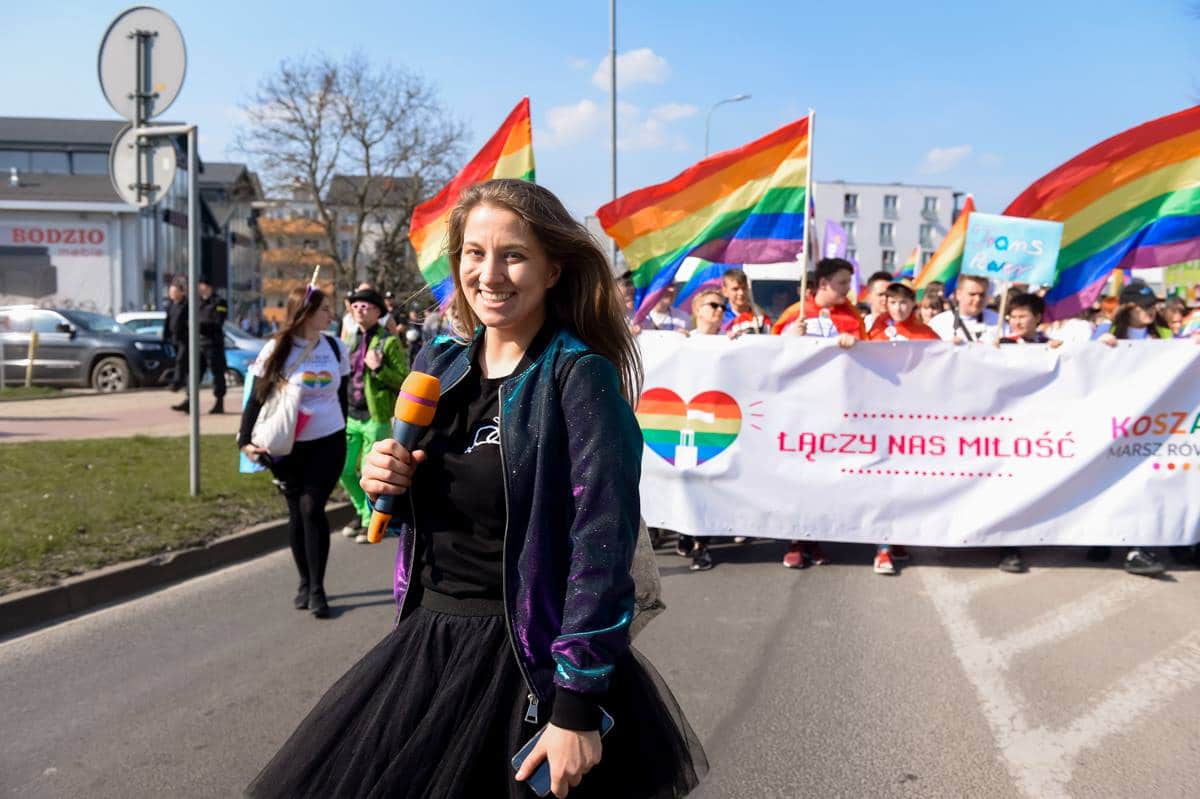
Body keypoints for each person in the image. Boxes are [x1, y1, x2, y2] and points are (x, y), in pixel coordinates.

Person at [246, 179, 705, 799]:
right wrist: (393, 483)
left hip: (531, 664)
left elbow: (601, 548)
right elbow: (449, 511)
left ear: (552, 268)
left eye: (513, 254)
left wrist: (574, 706)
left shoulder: (579, 379)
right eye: (473, 253)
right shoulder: (438, 363)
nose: (490, 274)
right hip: (428, 644)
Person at [238, 285, 350, 618]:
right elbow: (257, 397)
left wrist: (341, 425)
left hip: (328, 441)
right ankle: (304, 581)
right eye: (324, 309)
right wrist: (244, 439)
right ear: (305, 313)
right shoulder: (278, 348)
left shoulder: (334, 346)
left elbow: (340, 394)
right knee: (296, 512)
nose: (330, 315)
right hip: (287, 445)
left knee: (312, 507)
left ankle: (317, 589)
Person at [337, 288, 410, 543]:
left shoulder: (389, 342)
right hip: (351, 415)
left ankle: (369, 523)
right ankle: (362, 512)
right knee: (343, 469)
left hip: (375, 416)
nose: (359, 310)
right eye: (355, 306)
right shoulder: (349, 342)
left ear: (378, 312)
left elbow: (404, 380)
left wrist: (379, 369)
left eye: (366, 306)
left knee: (372, 473)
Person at [772, 257, 867, 339]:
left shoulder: (853, 314)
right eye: (842, 283)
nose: (848, 288)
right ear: (823, 284)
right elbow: (775, 350)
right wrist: (791, 337)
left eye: (849, 282)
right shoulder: (797, 312)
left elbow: (864, 351)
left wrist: (854, 344)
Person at [174, 276, 229, 414]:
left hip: (213, 344)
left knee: (217, 374)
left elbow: (218, 322)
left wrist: (199, 325)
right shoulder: (196, 302)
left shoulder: (219, 302)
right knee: (193, 374)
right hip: (198, 344)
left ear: (207, 286)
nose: (198, 288)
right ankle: (189, 401)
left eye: (200, 285)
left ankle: (219, 402)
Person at [928, 275, 1001, 344]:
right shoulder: (938, 323)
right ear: (958, 294)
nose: (978, 299)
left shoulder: (998, 321)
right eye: (972, 294)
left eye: (982, 295)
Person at [866, 282, 940, 342]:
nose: (897, 309)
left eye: (903, 302)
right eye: (893, 302)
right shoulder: (879, 325)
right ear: (886, 303)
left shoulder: (925, 334)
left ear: (913, 302)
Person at [721, 268, 772, 337]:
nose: (741, 293)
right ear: (725, 291)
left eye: (744, 288)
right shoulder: (720, 317)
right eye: (735, 289)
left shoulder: (760, 316)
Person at [164, 278, 188, 396]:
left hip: (185, 338)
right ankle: (180, 380)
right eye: (170, 292)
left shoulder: (186, 304)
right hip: (174, 338)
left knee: (180, 360)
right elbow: (168, 321)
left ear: (180, 292)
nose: (171, 294)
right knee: (178, 361)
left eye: (174, 292)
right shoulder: (171, 305)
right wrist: (165, 336)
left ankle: (177, 382)